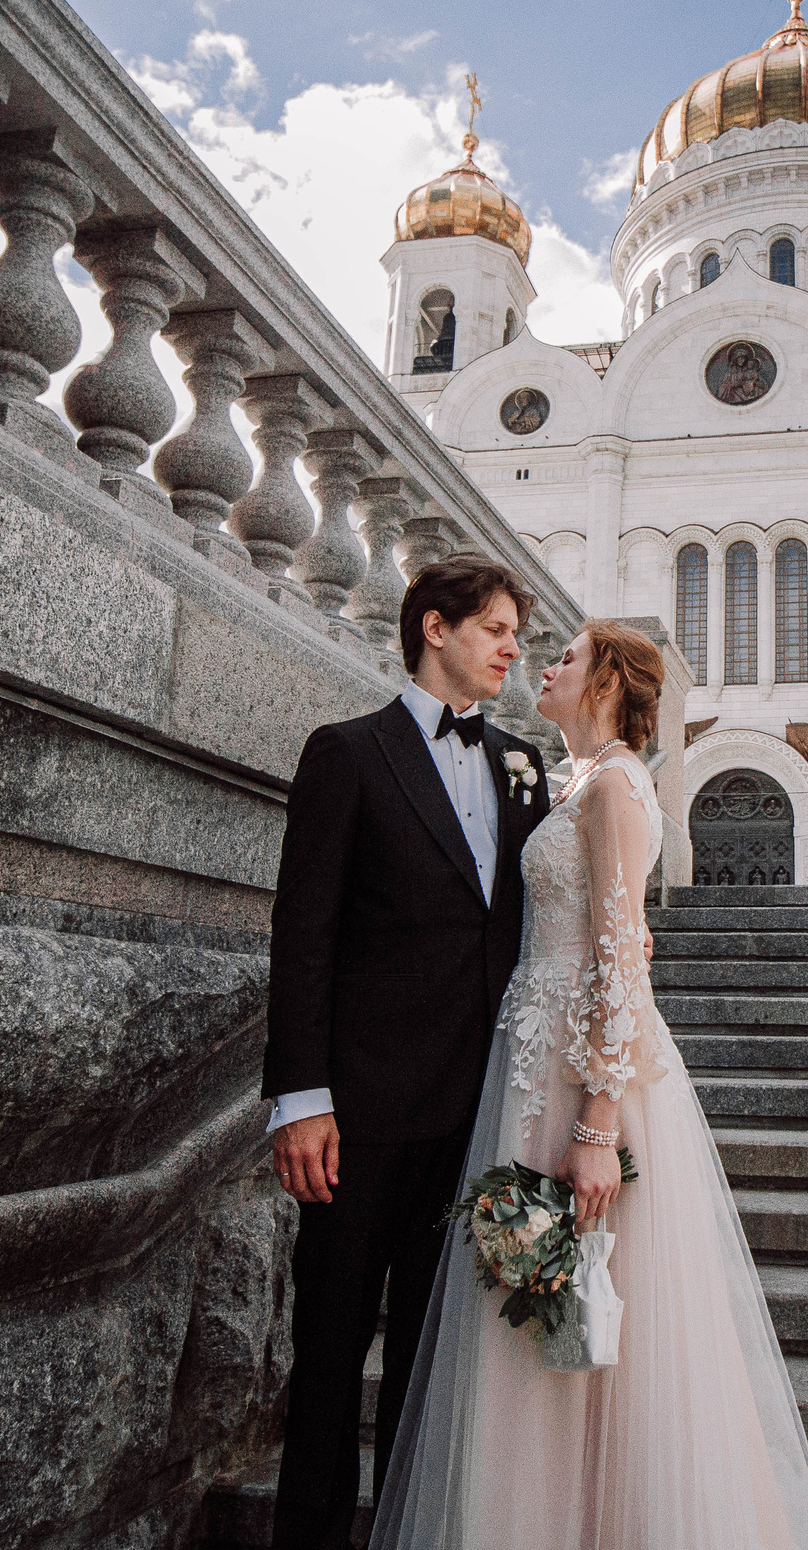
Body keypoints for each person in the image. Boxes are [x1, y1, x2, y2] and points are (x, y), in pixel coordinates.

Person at [369, 619, 808, 1550]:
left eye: (566, 657)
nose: (544, 664)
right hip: (533, 1062)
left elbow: (621, 960)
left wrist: (598, 1124)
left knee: (588, 1304)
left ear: (603, 684)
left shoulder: (618, 785)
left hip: (584, 1077)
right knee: (531, 1305)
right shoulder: (576, 780)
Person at [262, 555, 553, 1550]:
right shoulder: (348, 753)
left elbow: (537, 920)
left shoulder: (523, 764)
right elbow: (304, 933)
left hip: (478, 1119)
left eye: (516, 634)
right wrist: (301, 1097)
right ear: (435, 627)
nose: (513, 650)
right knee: (329, 1353)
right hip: (359, 1117)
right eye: (496, 630)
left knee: (439, 1372)